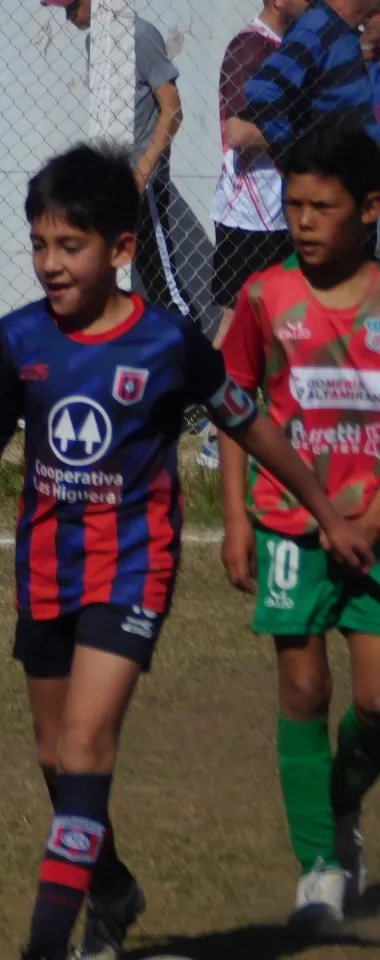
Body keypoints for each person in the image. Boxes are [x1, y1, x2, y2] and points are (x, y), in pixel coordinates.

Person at [0, 143, 374, 960]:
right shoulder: (15, 340)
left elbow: (251, 423)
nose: (51, 266)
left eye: (71, 247)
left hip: (134, 570)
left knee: (89, 743)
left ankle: (45, 942)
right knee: (55, 760)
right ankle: (113, 888)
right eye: (39, 245)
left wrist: (321, 508)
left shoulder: (168, 342)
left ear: (122, 249)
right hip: (45, 572)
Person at [219, 128, 380, 924]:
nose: (304, 221)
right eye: (293, 205)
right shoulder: (263, 298)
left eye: (325, 206)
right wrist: (235, 518)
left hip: (376, 528)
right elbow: (233, 406)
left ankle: (338, 803)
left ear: (371, 209)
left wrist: (371, 517)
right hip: (288, 525)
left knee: (378, 703)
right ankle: (319, 864)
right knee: (305, 685)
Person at [198, 0, 309, 471]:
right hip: (250, 214)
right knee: (233, 321)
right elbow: (239, 132)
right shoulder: (250, 45)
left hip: (280, 212)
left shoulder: (292, 47)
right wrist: (306, 124)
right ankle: (211, 430)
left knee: (279, 318)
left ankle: (265, 424)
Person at [43, 0, 193, 318]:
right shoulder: (94, 42)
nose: (68, 16)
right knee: (121, 282)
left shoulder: (140, 35)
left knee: (164, 284)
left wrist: (143, 172)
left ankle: (192, 351)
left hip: (143, 181)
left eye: (73, 7)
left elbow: (173, 110)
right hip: (113, 184)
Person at [244, 0, 380, 168]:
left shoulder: (350, 38)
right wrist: (305, 152)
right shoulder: (316, 27)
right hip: (329, 184)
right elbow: (262, 88)